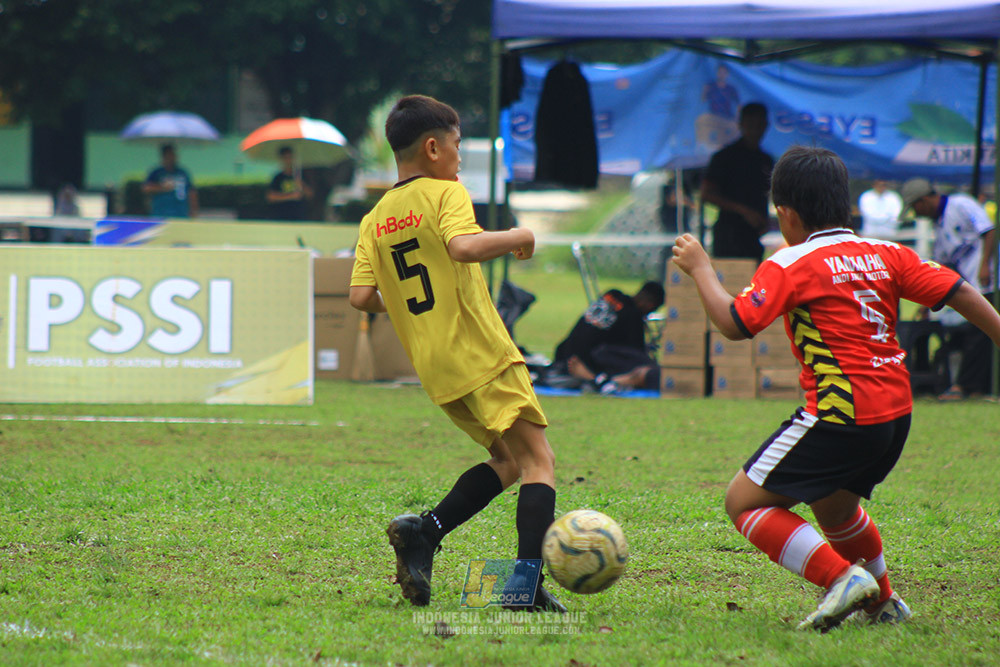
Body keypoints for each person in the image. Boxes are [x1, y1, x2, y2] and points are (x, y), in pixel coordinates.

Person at [672, 146, 1000, 631]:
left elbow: (735, 323)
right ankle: (883, 601)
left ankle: (840, 578)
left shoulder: (790, 262)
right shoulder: (885, 253)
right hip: (895, 415)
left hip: (840, 414)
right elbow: (960, 290)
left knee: (742, 502)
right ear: (845, 204)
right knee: (836, 506)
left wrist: (701, 268)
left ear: (785, 213)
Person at [348, 95, 565, 612]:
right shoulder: (446, 193)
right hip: (480, 351)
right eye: (458, 145)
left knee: (507, 460)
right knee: (539, 461)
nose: (461, 157)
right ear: (432, 147)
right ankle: (525, 586)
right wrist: (520, 235)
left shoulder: (374, 219)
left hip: (436, 367)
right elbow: (463, 248)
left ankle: (425, 532)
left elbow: (361, 297)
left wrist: (405, 306)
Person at [901, 177, 997, 398]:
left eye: (915, 207)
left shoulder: (961, 204)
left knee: (979, 333)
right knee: (964, 335)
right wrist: (926, 301)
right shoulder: (939, 224)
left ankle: (967, 387)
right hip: (970, 286)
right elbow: (943, 265)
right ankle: (966, 385)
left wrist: (985, 266)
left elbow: (989, 230)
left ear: (924, 200)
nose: (917, 214)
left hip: (989, 280)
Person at [545, 282, 665, 393]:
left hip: (564, 353)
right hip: (587, 360)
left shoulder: (611, 295)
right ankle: (599, 379)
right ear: (649, 305)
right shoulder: (633, 316)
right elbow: (634, 353)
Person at [701, 102, 774, 263]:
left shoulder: (765, 160)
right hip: (728, 235)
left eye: (759, 125)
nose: (755, 130)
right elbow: (706, 194)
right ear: (741, 125)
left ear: (766, 126)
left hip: (753, 236)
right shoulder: (724, 157)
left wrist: (764, 220)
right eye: (750, 125)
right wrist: (743, 211)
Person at [142, 144, 198, 218]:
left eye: (174, 155)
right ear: (164, 156)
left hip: (180, 213)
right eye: (169, 155)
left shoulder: (182, 173)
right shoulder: (156, 173)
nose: (172, 157)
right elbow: (146, 188)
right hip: (160, 213)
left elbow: (191, 192)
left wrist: (193, 210)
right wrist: (163, 187)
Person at [266, 146, 313, 221]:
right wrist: (290, 196)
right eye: (286, 158)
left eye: (290, 157)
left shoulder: (300, 176)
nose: (288, 160)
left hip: (299, 216)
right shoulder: (278, 178)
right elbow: (271, 197)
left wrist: (302, 185)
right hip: (282, 216)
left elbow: (310, 195)